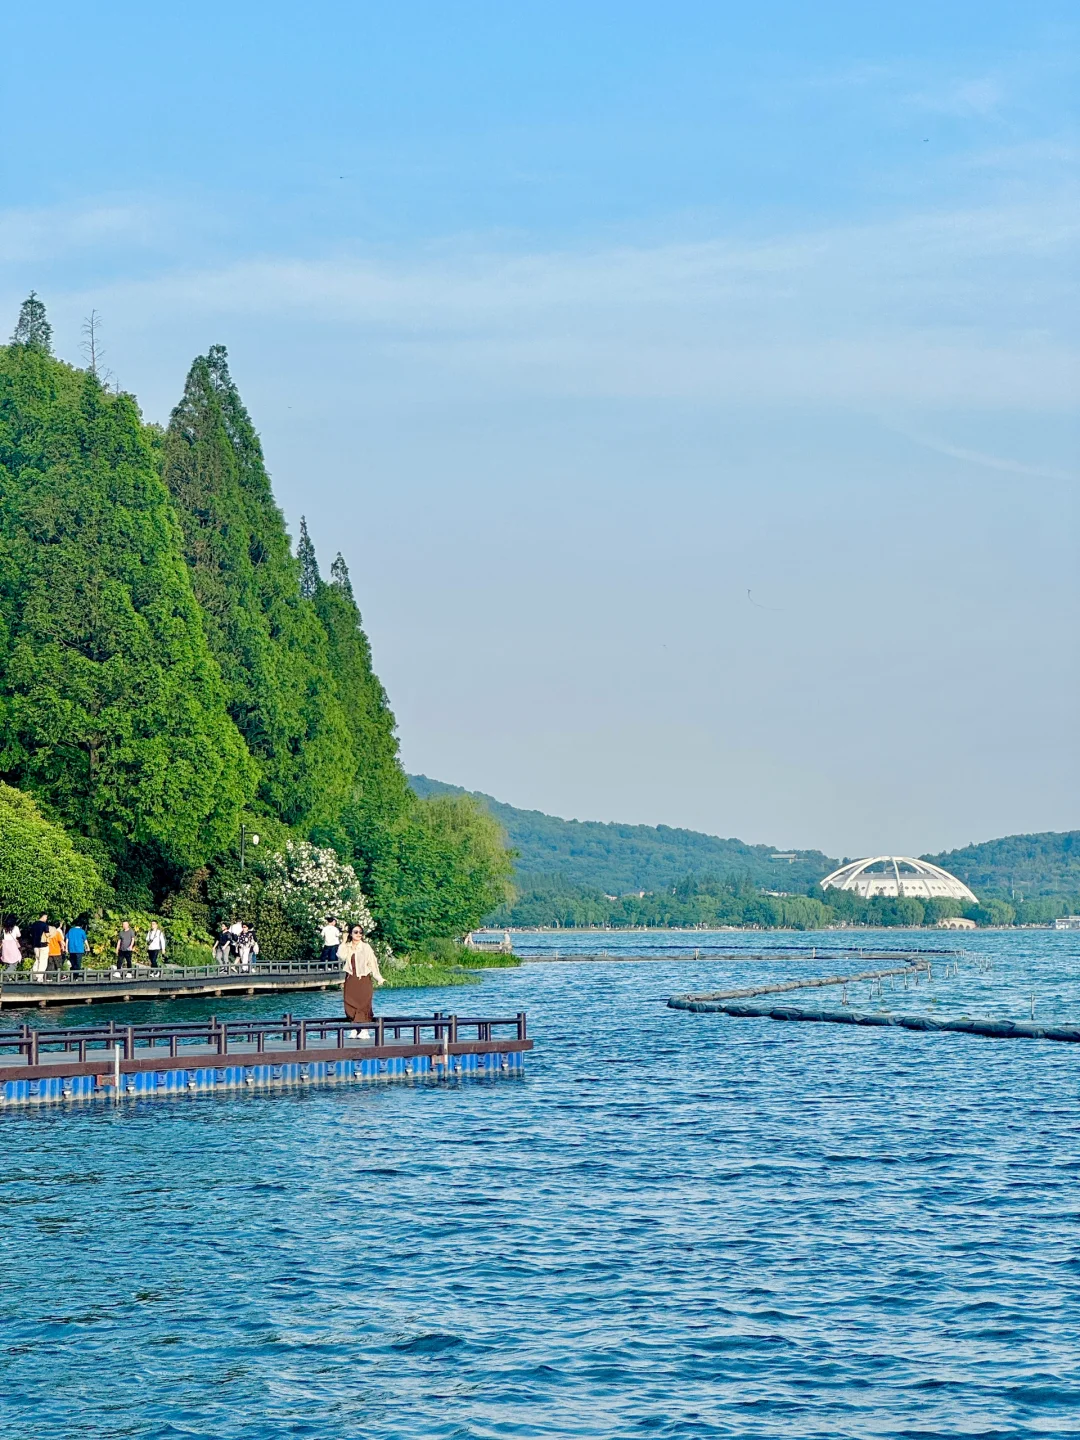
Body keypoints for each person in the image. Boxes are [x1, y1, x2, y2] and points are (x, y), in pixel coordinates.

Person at [337, 924, 384, 1024]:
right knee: (349, 1002)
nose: (358, 934)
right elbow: (341, 956)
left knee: (363, 1003)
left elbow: (372, 962)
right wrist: (344, 941)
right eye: (356, 932)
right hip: (351, 979)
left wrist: (378, 977)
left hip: (363, 979)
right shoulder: (348, 946)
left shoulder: (365, 947)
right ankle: (354, 1025)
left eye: (360, 932)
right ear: (351, 933)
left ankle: (364, 1028)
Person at [28, 913, 50, 979]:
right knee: (43, 961)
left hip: (35, 945)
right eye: (46, 917)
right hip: (43, 945)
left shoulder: (33, 924)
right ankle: (39, 976)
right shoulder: (44, 925)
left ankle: (33, 975)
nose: (46, 919)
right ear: (43, 916)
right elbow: (47, 935)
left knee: (37, 959)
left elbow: (30, 934)